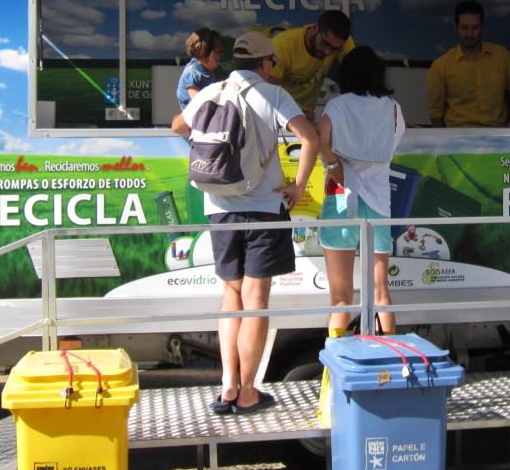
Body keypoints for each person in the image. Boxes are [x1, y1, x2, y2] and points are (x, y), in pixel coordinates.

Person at [172, 31, 319, 415]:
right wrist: (298, 185)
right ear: (266, 63)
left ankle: (227, 387)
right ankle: (249, 391)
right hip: (263, 210)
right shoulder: (274, 95)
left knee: (230, 297)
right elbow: (310, 137)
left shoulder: (210, 91)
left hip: (218, 207)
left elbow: (177, 126)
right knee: (256, 302)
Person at [316, 46, 405, 337]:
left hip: (342, 196)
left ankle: (335, 373)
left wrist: (333, 164)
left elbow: (319, 138)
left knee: (340, 298)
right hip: (380, 203)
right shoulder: (392, 107)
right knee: (381, 294)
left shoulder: (337, 106)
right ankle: (390, 359)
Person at [427, 0, 510, 127]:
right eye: (465, 28)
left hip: (497, 134)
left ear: (482, 27)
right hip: (458, 136)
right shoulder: (440, 66)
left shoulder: (501, 55)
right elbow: (435, 114)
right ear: (456, 28)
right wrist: (442, 143)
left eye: (475, 27)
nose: (470, 34)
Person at [268, 9, 356, 119]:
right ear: (315, 27)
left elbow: (357, 75)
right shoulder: (282, 46)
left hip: (307, 114)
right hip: (279, 114)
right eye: (325, 44)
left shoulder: (342, 43)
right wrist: (292, 109)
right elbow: (267, 92)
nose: (328, 52)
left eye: (335, 49)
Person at [176, 27, 225, 110]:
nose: (219, 63)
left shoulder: (207, 72)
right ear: (207, 55)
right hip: (194, 119)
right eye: (218, 58)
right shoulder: (192, 74)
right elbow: (198, 103)